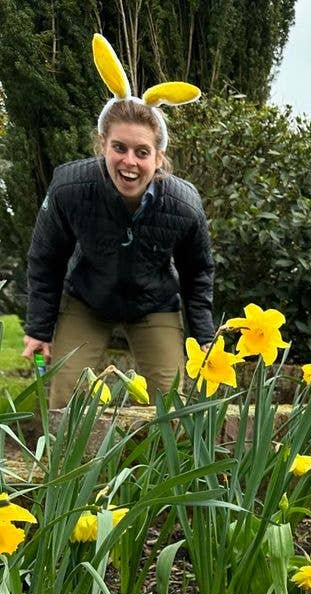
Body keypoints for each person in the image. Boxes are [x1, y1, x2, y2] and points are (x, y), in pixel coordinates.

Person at [22, 34, 214, 408]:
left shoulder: (184, 204)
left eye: (142, 152)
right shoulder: (70, 187)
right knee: (65, 401)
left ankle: (167, 466)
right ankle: (65, 466)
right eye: (119, 148)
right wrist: (38, 330)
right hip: (87, 298)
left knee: (172, 403)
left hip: (153, 302)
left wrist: (204, 336)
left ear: (158, 158)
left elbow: (198, 271)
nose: (129, 161)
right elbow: (46, 259)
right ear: (102, 145)